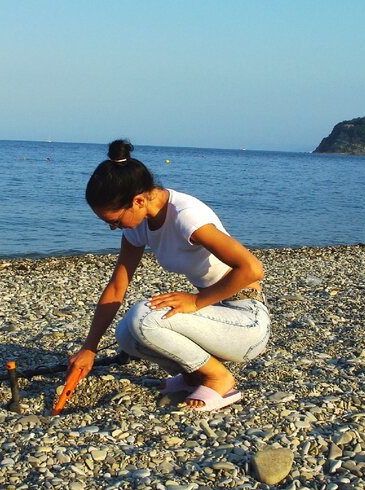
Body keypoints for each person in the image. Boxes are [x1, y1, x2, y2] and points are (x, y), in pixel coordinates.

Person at [65, 139, 270, 410]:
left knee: (143, 317)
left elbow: (253, 268)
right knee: (126, 333)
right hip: (214, 319)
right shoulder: (139, 225)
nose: (113, 228)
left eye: (114, 220)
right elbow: (117, 285)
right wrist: (89, 347)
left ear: (138, 201)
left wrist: (196, 301)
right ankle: (193, 375)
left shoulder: (186, 216)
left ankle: (220, 380)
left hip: (247, 321)